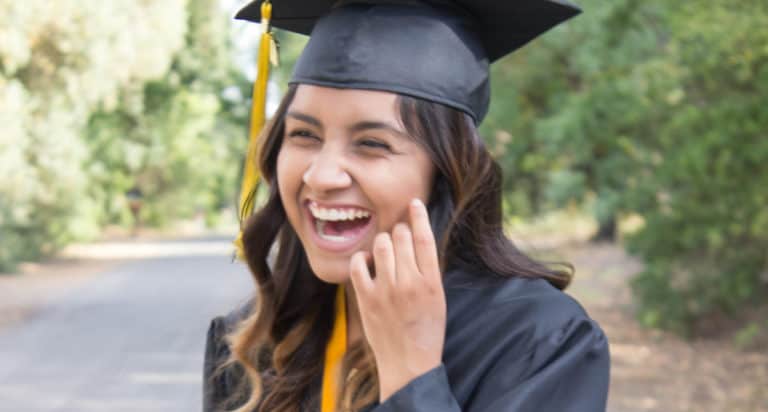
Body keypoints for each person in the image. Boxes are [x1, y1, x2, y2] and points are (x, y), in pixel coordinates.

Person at [204, 1, 610, 411]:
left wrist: (412, 375)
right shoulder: (254, 341)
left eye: (371, 144)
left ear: (448, 173)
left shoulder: (538, 343)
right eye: (304, 135)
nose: (322, 176)